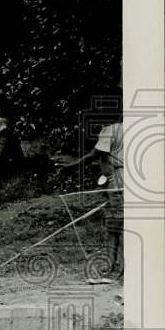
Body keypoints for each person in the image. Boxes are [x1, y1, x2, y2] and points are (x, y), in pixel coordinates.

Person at [53, 113, 124, 277]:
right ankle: (113, 264)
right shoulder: (126, 128)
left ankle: (118, 267)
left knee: (117, 226)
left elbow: (95, 154)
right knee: (115, 225)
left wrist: (71, 164)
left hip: (117, 184)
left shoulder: (110, 130)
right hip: (120, 183)